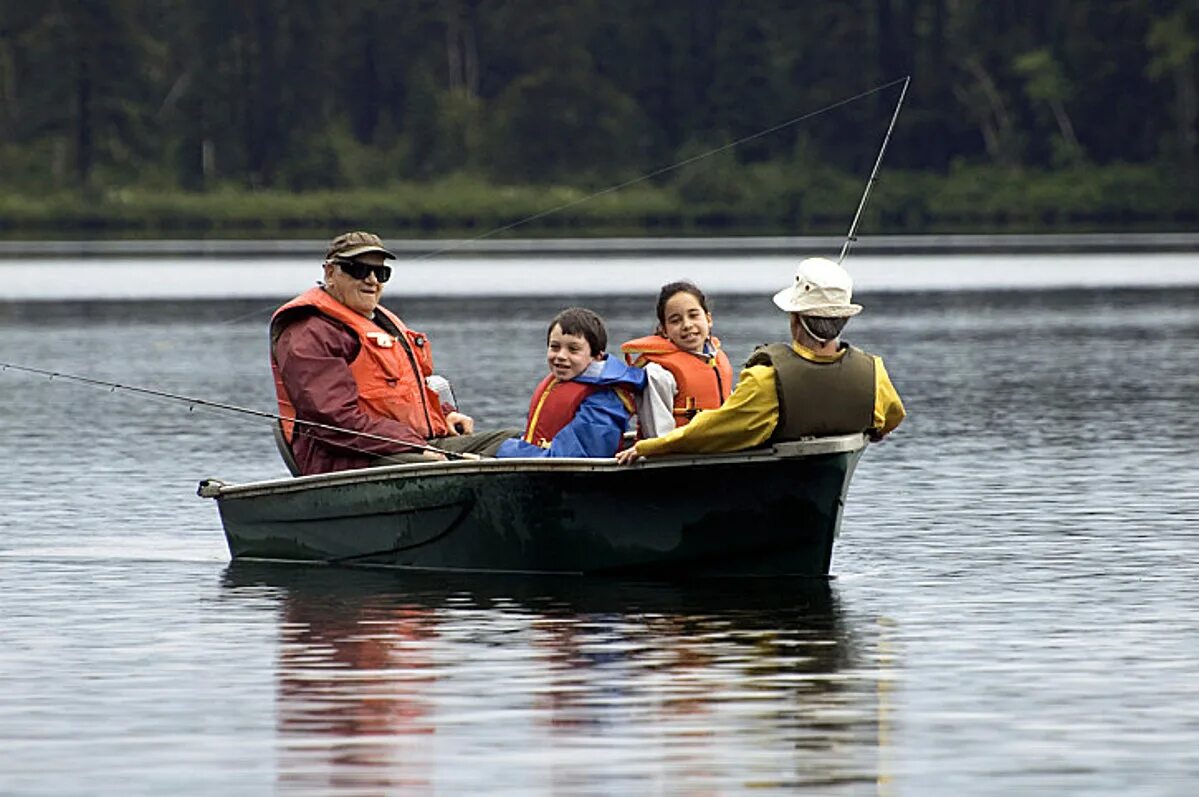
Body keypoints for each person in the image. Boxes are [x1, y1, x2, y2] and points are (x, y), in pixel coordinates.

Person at [270, 231, 517, 475]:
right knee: (446, 468)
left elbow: (400, 395)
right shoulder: (308, 333)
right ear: (330, 273)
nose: (371, 280)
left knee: (515, 442)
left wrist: (443, 417)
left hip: (405, 445)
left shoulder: (380, 321)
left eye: (381, 272)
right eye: (358, 269)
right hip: (345, 460)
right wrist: (414, 444)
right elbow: (335, 422)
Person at [615, 257, 905, 464]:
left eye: (694, 316)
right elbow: (890, 419)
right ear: (843, 319)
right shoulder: (874, 373)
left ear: (794, 318)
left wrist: (651, 447)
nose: (688, 325)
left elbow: (720, 430)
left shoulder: (767, 379)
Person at [496, 307, 647, 458]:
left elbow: (573, 457)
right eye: (555, 347)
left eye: (573, 349)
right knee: (480, 441)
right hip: (534, 450)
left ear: (596, 357)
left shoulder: (603, 401)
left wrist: (506, 451)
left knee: (490, 445)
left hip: (558, 468)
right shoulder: (567, 378)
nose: (561, 356)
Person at [620, 281, 734, 438]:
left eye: (693, 315)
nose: (687, 325)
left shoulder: (718, 360)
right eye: (675, 320)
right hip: (681, 457)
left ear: (708, 319)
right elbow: (658, 437)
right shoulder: (658, 373)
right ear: (664, 330)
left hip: (721, 447)